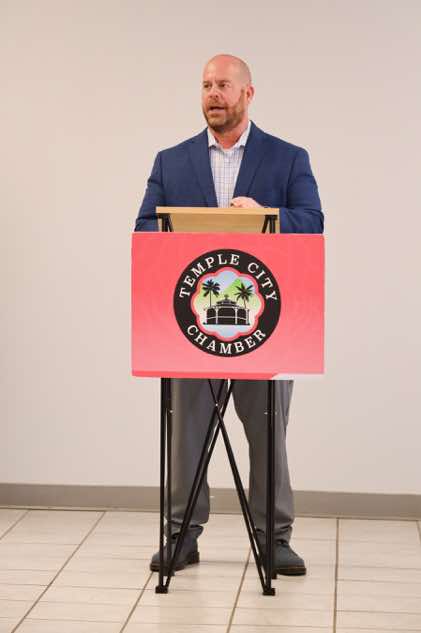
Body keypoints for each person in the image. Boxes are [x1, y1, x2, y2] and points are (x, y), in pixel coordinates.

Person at [135, 54, 323, 576]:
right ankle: (181, 535)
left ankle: (274, 539)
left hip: (266, 326)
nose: (213, 94)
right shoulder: (171, 161)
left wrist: (267, 217)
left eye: (223, 85)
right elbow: (144, 229)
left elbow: (312, 222)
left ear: (248, 93)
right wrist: (193, 226)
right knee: (186, 430)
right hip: (190, 325)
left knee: (267, 431)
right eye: (206, 85)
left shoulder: (288, 158)